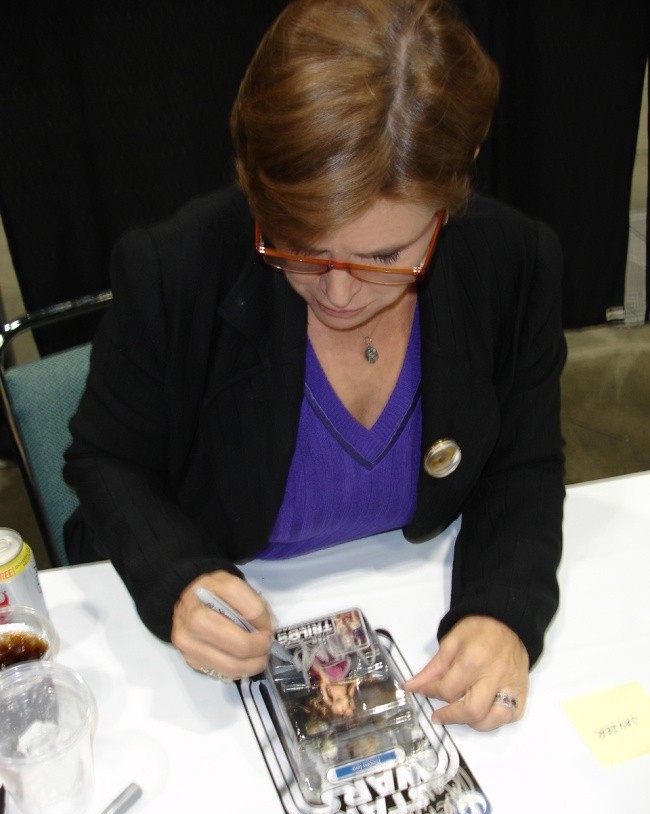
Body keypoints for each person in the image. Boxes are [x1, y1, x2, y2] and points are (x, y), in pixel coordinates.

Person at [63, 0, 566, 732]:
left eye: (384, 256)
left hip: (411, 602)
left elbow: (524, 462)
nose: (338, 293)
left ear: (454, 189)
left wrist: (505, 609)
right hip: (207, 689)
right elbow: (107, 459)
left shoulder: (513, 262)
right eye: (299, 244)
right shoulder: (174, 269)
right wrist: (177, 579)